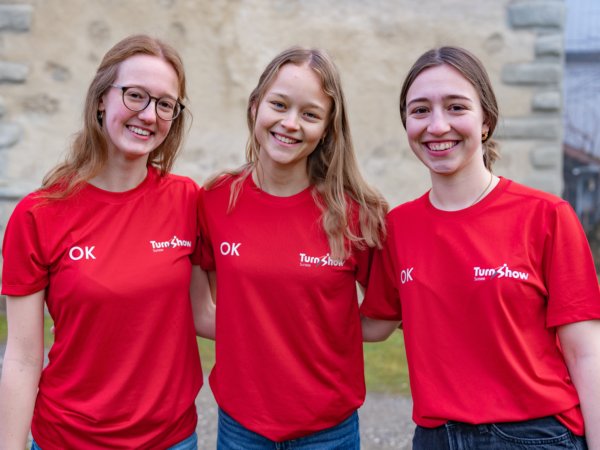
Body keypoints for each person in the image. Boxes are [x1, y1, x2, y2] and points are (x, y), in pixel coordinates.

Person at [360, 46, 600, 450]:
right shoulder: (397, 228)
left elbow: (586, 354)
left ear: (485, 120)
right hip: (436, 438)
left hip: (534, 437)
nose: (437, 125)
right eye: (420, 110)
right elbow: (375, 324)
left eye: (456, 107)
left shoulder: (546, 216)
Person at [0, 34, 214, 450]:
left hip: (170, 441)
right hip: (68, 439)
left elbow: (205, 313)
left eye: (165, 104)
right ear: (101, 99)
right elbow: (23, 358)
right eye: (135, 95)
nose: (149, 115)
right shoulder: (38, 214)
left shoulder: (188, 201)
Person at [195, 46, 388, 449]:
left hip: (328, 431)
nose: (290, 123)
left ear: (328, 129)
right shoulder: (215, 200)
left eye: (310, 114)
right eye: (279, 105)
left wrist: (319, 332)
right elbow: (205, 312)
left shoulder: (356, 213)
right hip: (241, 428)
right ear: (255, 106)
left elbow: (382, 318)